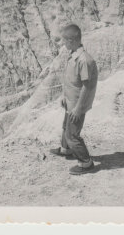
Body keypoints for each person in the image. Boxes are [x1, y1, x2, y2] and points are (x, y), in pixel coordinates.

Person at [50, 23, 98, 175]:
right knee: (66, 127)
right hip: (70, 101)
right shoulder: (74, 54)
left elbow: (86, 86)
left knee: (72, 135)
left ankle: (86, 163)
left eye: (64, 41)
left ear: (71, 41)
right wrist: (65, 96)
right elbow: (71, 80)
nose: (63, 44)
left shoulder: (84, 60)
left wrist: (78, 108)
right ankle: (66, 150)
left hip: (77, 104)